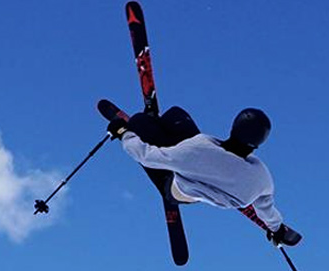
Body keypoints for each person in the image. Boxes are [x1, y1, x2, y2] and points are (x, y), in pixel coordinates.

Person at [96, 100, 301, 247]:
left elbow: (146, 156)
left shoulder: (197, 149)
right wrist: (276, 229)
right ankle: (151, 123)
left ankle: (148, 122)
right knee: (172, 116)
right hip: (200, 169)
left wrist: (125, 134)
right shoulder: (261, 176)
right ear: (259, 143)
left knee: (145, 121)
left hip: (175, 186)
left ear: (233, 127)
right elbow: (265, 206)